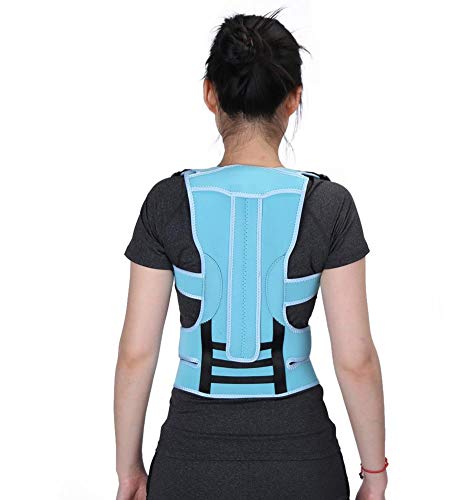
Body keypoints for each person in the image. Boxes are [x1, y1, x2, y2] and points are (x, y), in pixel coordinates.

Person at [114, 9, 387, 500]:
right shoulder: (329, 206)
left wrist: (129, 470)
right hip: (305, 464)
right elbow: (356, 360)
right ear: (294, 98)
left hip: (189, 463)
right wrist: (375, 472)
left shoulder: (167, 202)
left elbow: (136, 355)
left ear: (210, 94)